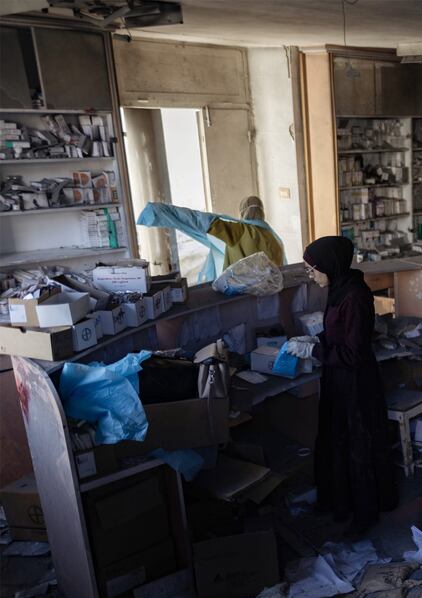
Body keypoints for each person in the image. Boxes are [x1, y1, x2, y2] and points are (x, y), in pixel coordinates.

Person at [303, 236, 397, 535]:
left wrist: (314, 352)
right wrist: (313, 341)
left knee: (358, 447)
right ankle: (339, 505)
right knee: (336, 441)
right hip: (337, 380)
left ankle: (364, 514)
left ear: (330, 265)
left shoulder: (355, 296)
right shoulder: (338, 289)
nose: (312, 274)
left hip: (355, 384)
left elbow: (354, 353)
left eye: (314, 268)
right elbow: (337, 337)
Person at [136, 195, 285, 282]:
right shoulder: (274, 239)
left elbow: (198, 220)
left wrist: (161, 211)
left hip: (242, 293)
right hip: (267, 295)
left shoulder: (239, 231)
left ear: (242, 212)